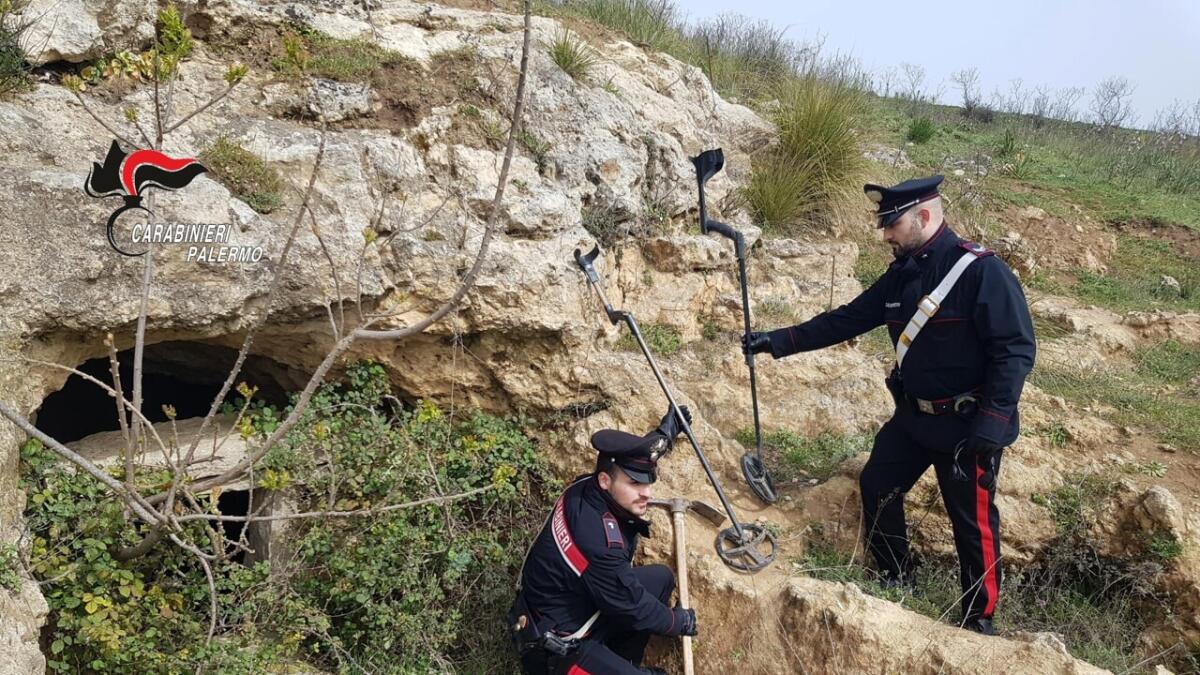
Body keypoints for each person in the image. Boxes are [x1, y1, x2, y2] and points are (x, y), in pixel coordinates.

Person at [743, 176, 1035, 635]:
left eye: (891, 224)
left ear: (924, 216)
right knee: (878, 484)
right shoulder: (902, 273)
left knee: (972, 524)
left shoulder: (981, 271)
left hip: (966, 425)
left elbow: (1014, 350)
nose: (885, 234)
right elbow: (849, 319)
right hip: (913, 418)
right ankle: (896, 571)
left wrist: (993, 422)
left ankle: (979, 617)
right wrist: (777, 341)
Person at [508, 405, 698, 674]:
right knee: (643, 609)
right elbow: (633, 606)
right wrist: (678, 622)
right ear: (605, 481)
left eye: (648, 482)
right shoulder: (597, 541)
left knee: (660, 580)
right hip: (555, 649)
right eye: (635, 484)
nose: (647, 493)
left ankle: (623, 662)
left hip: (579, 606)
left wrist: (663, 435)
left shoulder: (586, 486)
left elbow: (632, 458)